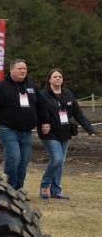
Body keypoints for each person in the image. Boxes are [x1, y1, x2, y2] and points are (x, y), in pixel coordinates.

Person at [0, 58, 50, 191]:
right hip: (7, 129)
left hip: (26, 131)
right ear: (11, 70)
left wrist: (45, 122)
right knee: (14, 157)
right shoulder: (0, 87)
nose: (23, 71)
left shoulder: (31, 87)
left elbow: (41, 106)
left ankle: (18, 189)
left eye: (24, 69)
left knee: (23, 161)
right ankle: (8, 189)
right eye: (19, 68)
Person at [37, 68, 96, 200]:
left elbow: (77, 113)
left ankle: (56, 191)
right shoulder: (43, 95)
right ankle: (45, 185)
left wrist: (89, 129)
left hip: (65, 132)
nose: (58, 78)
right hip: (50, 133)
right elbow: (37, 112)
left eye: (60, 77)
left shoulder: (67, 94)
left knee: (60, 162)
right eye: (55, 76)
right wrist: (42, 124)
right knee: (57, 159)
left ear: (63, 80)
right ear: (49, 80)